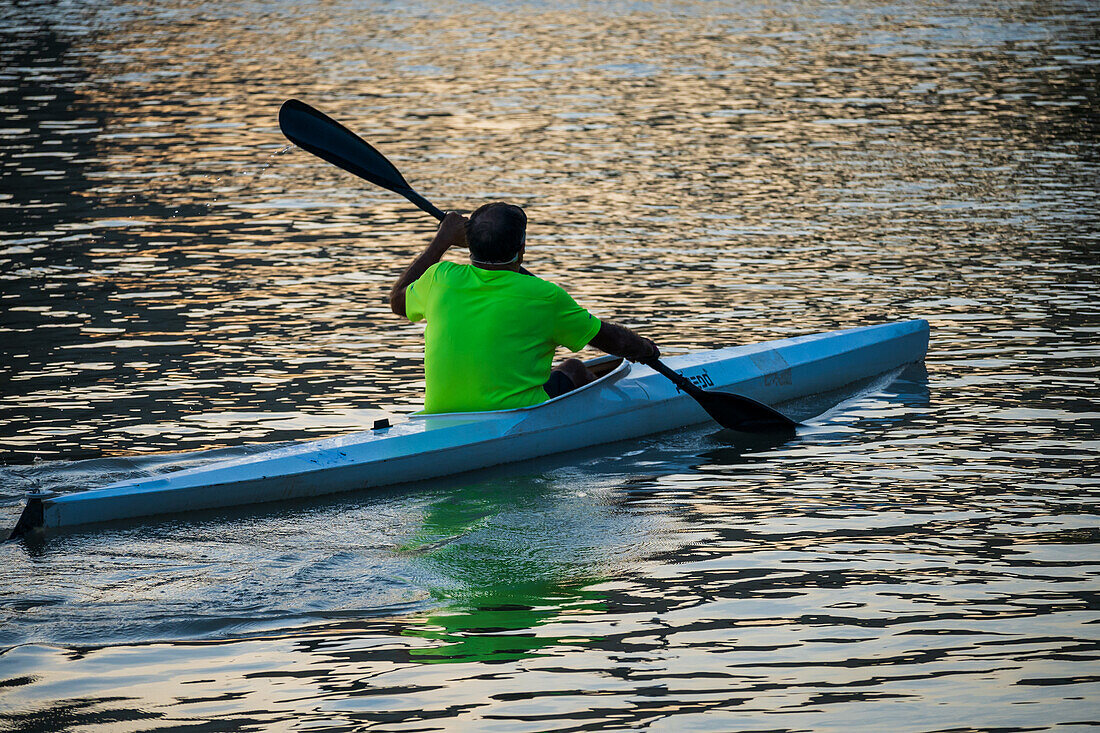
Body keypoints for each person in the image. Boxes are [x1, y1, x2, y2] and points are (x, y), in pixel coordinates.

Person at [389, 202, 659, 414]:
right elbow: (610, 339)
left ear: (469, 246)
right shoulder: (544, 296)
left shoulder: (440, 278)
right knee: (574, 368)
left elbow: (397, 301)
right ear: (522, 249)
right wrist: (644, 349)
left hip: (443, 415)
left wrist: (441, 241)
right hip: (515, 414)